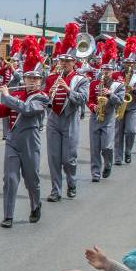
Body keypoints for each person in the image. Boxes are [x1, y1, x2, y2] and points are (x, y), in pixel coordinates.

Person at [0, 42, 48, 228]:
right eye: (29, 78)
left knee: (31, 179)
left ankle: (35, 204)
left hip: (30, 142)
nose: (32, 82)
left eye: (36, 79)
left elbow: (27, 110)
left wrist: (6, 96)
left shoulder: (42, 98)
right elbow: (1, 112)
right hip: (13, 141)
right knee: (10, 179)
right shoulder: (17, 94)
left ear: (40, 81)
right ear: (24, 79)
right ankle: (8, 215)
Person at [44, 24, 89, 201]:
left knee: (68, 158)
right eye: (61, 61)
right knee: (54, 157)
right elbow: (44, 96)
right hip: (53, 119)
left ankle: (71, 183)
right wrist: (47, 96)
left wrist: (68, 89)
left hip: (70, 119)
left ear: (74, 63)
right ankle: (56, 190)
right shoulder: (51, 78)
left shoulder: (81, 79)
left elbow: (83, 99)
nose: (63, 64)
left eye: (67, 61)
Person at [88, 46, 125, 183]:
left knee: (107, 147)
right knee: (94, 148)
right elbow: (89, 99)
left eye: (108, 69)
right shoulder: (94, 84)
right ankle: (95, 173)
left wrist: (110, 94)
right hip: (95, 117)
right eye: (104, 69)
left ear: (113, 71)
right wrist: (93, 107)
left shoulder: (118, 85)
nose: (106, 72)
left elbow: (120, 101)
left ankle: (108, 164)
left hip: (108, 118)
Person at [113, 37, 136, 166]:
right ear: (123, 63)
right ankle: (118, 157)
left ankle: (128, 151)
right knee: (118, 133)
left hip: (133, 106)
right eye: (126, 63)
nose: (129, 65)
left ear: (135, 64)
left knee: (131, 131)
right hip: (120, 106)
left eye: (131, 63)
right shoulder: (117, 75)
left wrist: (134, 90)